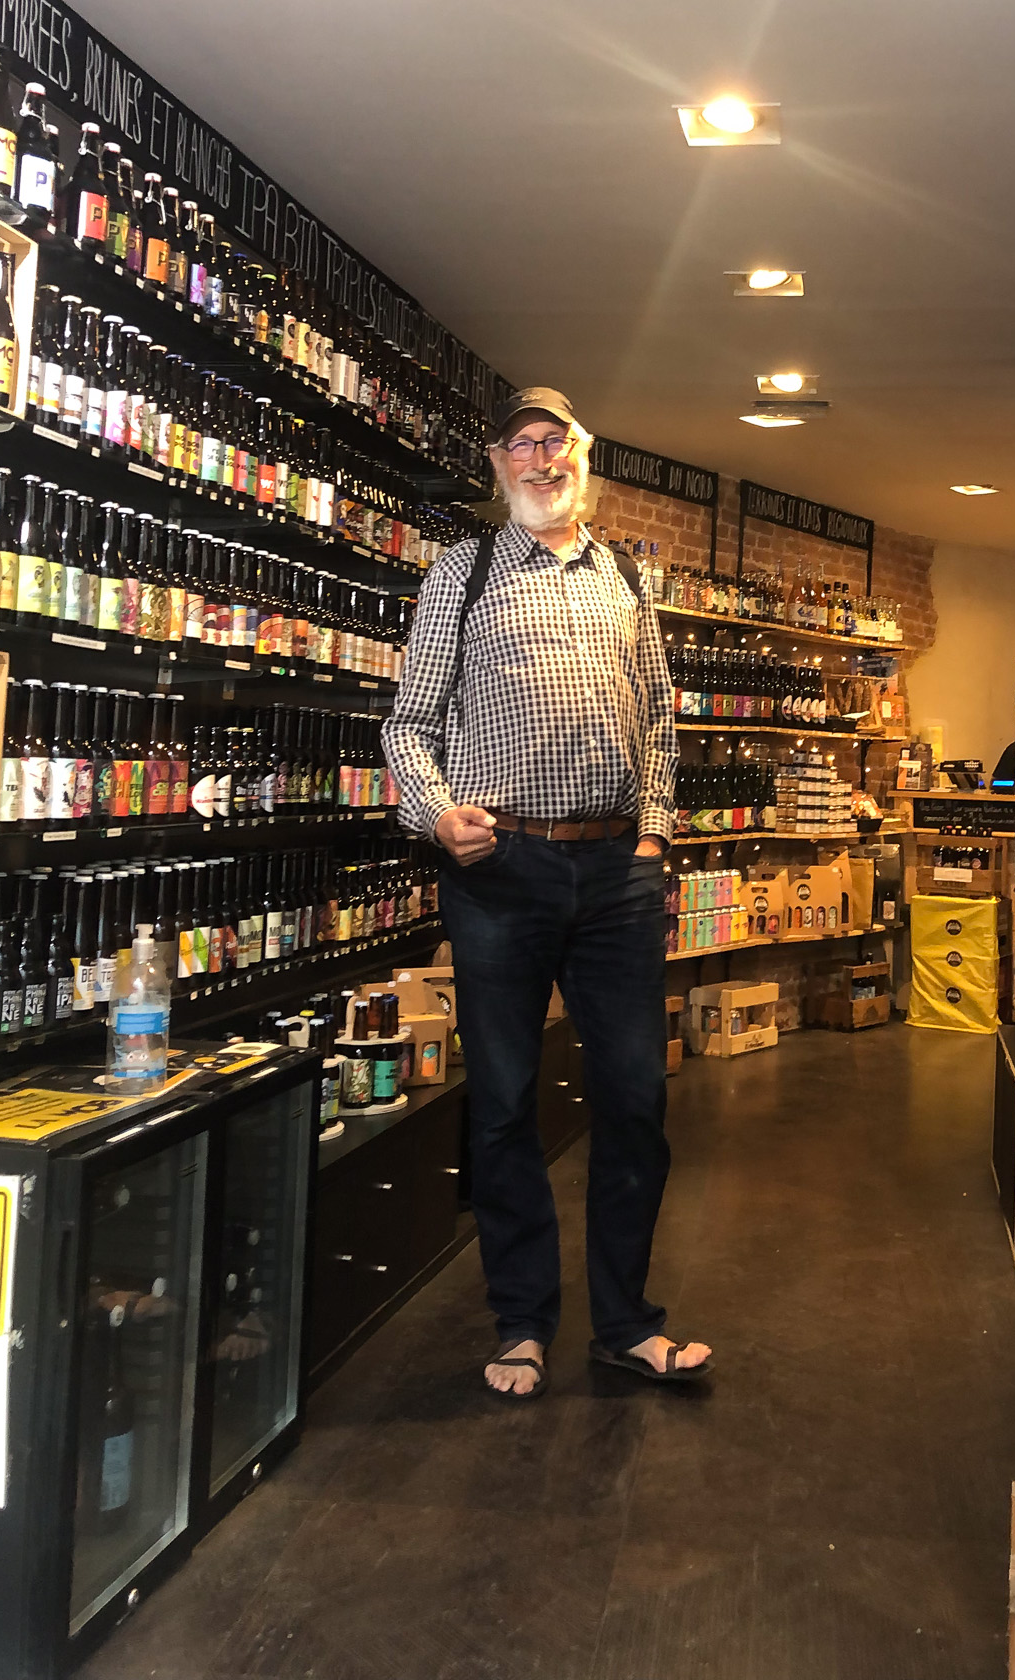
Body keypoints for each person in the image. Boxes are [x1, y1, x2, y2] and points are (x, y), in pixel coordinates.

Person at [383, 387, 712, 1399]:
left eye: (554, 441)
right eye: (520, 444)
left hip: (617, 871)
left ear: (583, 453)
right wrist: (437, 813)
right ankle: (522, 1322)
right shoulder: (463, 572)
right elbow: (408, 725)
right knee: (504, 1104)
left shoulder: (626, 576)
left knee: (637, 1100)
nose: (539, 458)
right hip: (500, 871)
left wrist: (652, 833)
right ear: (498, 464)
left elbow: (660, 722)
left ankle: (626, 1324)